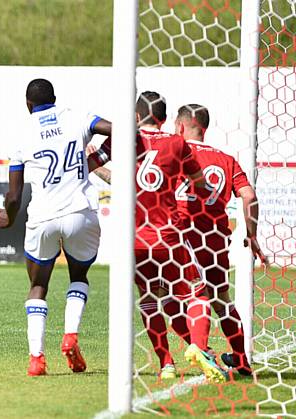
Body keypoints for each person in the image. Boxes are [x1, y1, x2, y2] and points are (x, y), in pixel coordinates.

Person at [88, 91, 228, 383]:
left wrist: (98, 163)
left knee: (150, 299)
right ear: (165, 120)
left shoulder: (124, 140)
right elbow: (200, 182)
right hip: (168, 236)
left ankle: (166, 364)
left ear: (136, 117)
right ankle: (200, 348)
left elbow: (90, 165)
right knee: (196, 294)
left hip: (134, 240)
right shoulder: (177, 143)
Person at [0, 78, 111, 376]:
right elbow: (118, 130)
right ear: (55, 98)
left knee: (38, 286)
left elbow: (15, 195)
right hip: (80, 213)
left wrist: (8, 217)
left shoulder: (21, 135)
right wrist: (98, 157)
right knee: (79, 276)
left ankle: (36, 358)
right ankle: (70, 336)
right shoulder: (76, 117)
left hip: (43, 217)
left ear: (28, 104)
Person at [174, 104, 266, 375]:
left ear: (181, 126)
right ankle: (240, 358)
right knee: (221, 299)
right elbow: (249, 196)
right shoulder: (226, 159)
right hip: (215, 238)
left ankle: (200, 351)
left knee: (191, 294)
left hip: (184, 235)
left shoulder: (176, 153)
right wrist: (252, 234)